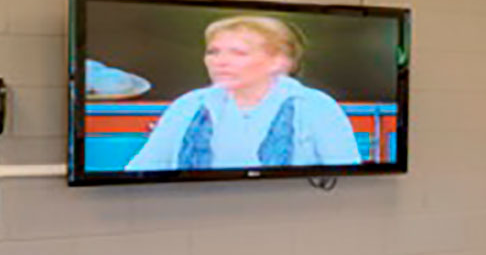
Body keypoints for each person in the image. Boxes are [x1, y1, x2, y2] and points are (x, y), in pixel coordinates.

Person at [126, 15, 362, 171]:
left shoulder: (314, 106)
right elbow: (141, 170)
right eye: (213, 52)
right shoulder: (189, 105)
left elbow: (348, 178)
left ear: (279, 61)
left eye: (238, 53)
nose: (220, 62)